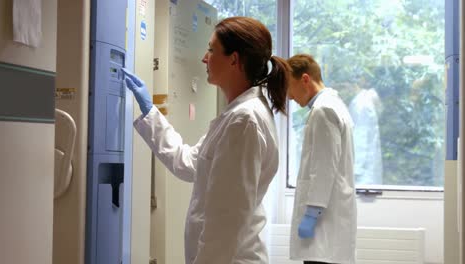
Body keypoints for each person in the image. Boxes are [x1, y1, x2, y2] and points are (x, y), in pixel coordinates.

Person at [123, 16, 290, 264]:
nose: (204, 58)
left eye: (211, 50)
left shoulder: (244, 121)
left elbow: (225, 224)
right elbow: (189, 163)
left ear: (234, 59)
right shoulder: (236, 116)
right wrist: (151, 113)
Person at [286, 54, 357, 264]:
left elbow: (324, 166)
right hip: (333, 219)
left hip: (324, 223)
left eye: (289, 86)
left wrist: (312, 213)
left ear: (305, 79)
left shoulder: (323, 110)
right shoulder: (334, 105)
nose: (289, 96)